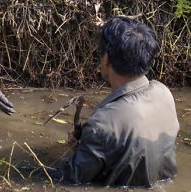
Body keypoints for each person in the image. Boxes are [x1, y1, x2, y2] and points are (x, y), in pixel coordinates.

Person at [61, 16, 179, 187]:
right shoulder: (164, 92)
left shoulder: (102, 124)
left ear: (107, 59)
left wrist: (83, 148)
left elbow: (70, 181)